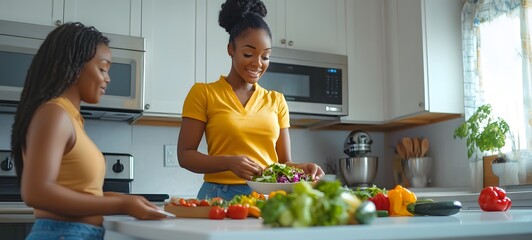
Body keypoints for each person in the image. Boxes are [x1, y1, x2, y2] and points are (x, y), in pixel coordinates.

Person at [10, 22, 167, 240]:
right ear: (73, 65)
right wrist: (121, 203)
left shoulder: (71, 118)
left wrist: (131, 200)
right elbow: (36, 192)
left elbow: (81, 192)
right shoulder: (54, 114)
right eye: (102, 68)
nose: (107, 78)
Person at [177, 0, 325, 201]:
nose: (257, 64)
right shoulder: (203, 93)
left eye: (265, 56)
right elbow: (185, 155)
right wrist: (228, 163)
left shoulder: (277, 100)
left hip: (267, 198)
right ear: (231, 49)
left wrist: (301, 168)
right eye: (248, 54)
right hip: (219, 196)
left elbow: (283, 162)